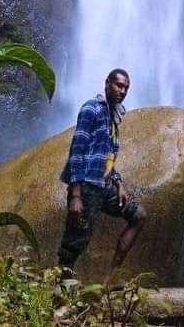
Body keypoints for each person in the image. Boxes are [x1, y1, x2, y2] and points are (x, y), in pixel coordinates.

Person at [57, 68, 146, 275]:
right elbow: (77, 149)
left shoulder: (113, 116)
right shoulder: (92, 108)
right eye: (119, 85)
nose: (122, 91)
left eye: (126, 88)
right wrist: (76, 194)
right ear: (107, 83)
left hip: (105, 187)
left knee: (139, 216)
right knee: (75, 242)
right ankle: (61, 288)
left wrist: (119, 183)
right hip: (87, 186)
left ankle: (111, 278)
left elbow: (107, 156)